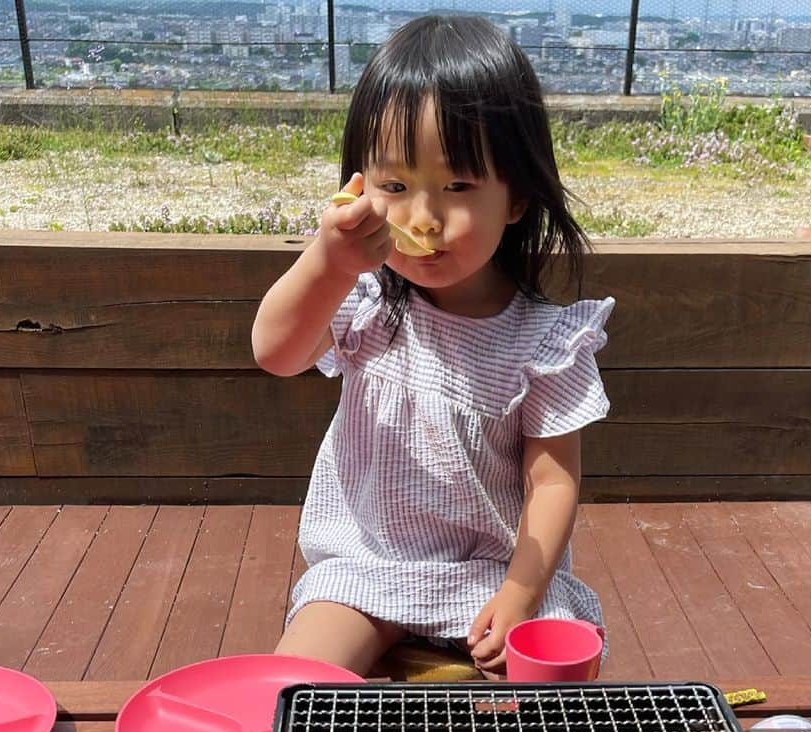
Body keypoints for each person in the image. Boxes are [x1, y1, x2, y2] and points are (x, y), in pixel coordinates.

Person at [252, 14, 614, 678]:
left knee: (562, 675)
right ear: (360, 185)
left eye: (457, 187)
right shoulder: (362, 301)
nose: (422, 217)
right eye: (395, 186)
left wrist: (521, 593)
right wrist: (328, 263)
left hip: (492, 573)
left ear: (515, 198)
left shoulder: (546, 343)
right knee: (291, 689)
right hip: (369, 567)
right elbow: (275, 352)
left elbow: (552, 479)